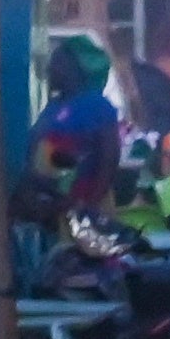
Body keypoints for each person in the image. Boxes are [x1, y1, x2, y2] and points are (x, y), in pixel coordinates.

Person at [34, 37, 127, 219]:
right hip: (53, 208)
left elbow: (109, 158)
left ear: (76, 68)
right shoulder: (53, 106)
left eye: (57, 63)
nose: (50, 69)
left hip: (85, 207)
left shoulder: (98, 106)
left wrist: (90, 204)